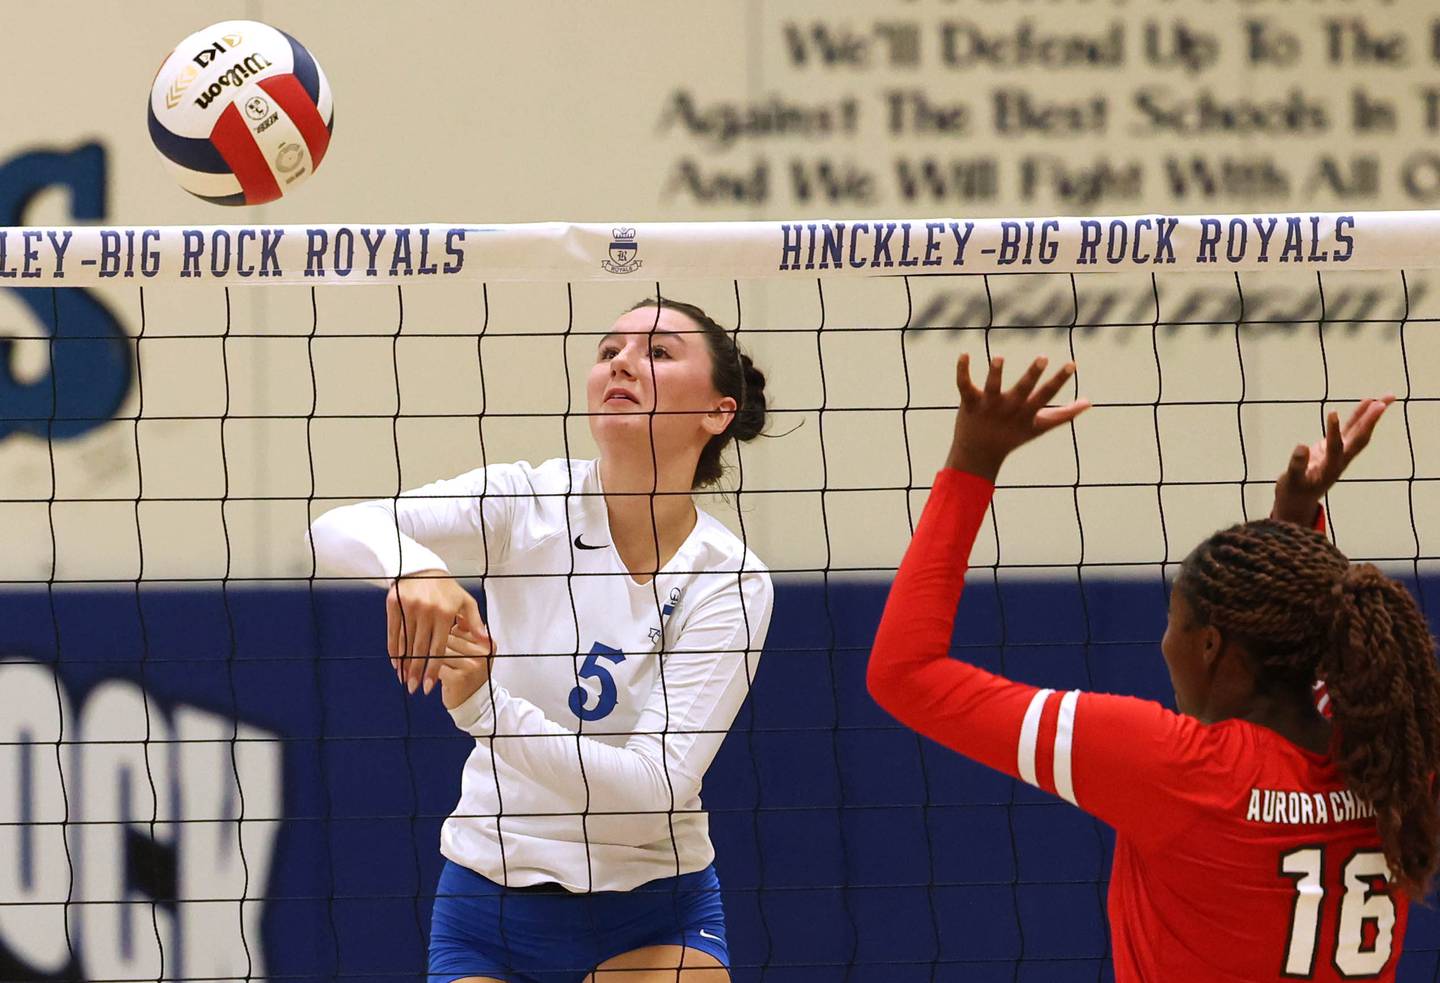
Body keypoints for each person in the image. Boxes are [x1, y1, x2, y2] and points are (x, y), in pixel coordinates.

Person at [867, 352, 1437, 981]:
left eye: (1175, 620)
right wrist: (1296, 526)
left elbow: (906, 672)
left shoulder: (1175, 767)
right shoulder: (1392, 754)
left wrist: (972, 462)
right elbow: (1321, 641)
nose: (1165, 642)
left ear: (1212, 645)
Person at [309, 298, 774, 983]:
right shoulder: (529, 502)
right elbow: (338, 527)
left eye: (658, 351)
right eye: (609, 348)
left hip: (652, 910)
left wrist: (484, 711)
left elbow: (653, 788)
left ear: (717, 411)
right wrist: (418, 566)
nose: (621, 360)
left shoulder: (729, 578)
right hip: (490, 900)